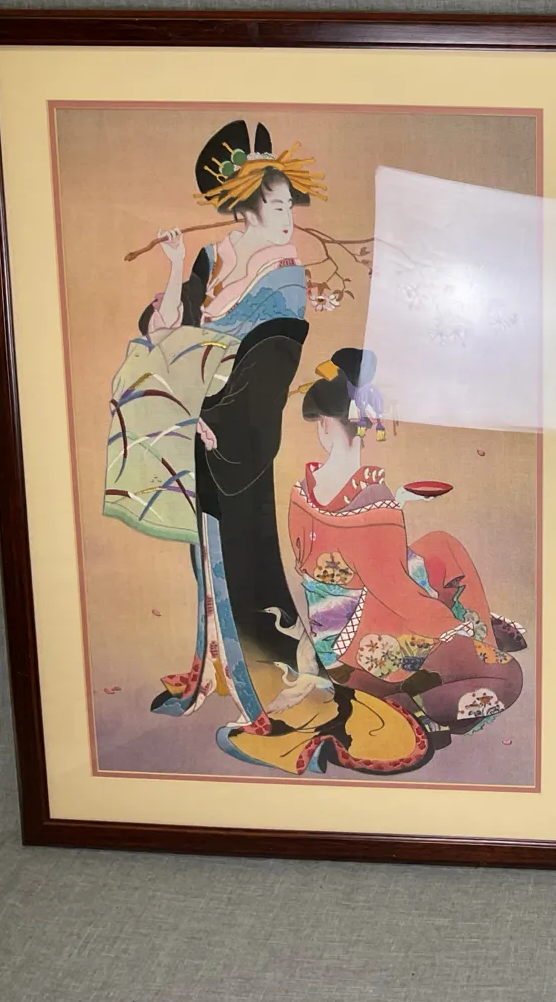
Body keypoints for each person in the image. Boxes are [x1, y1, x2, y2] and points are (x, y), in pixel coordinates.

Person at [116, 119, 323, 732]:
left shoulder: (286, 274)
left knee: (243, 554)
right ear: (247, 208)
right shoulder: (212, 256)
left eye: (290, 205)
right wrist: (176, 264)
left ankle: (267, 682)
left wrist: (220, 421)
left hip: (237, 434)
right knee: (204, 556)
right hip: (195, 424)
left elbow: (272, 365)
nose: (288, 217)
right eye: (278, 205)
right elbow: (166, 332)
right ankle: (214, 671)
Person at [284, 349, 528, 740]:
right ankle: (423, 687)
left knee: (439, 545)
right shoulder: (374, 503)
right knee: (505, 677)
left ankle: (459, 646)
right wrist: (454, 630)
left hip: (326, 625)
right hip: (362, 645)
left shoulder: (302, 492)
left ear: (325, 425)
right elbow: (396, 592)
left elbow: (338, 550)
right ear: (366, 427)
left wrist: (395, 505)